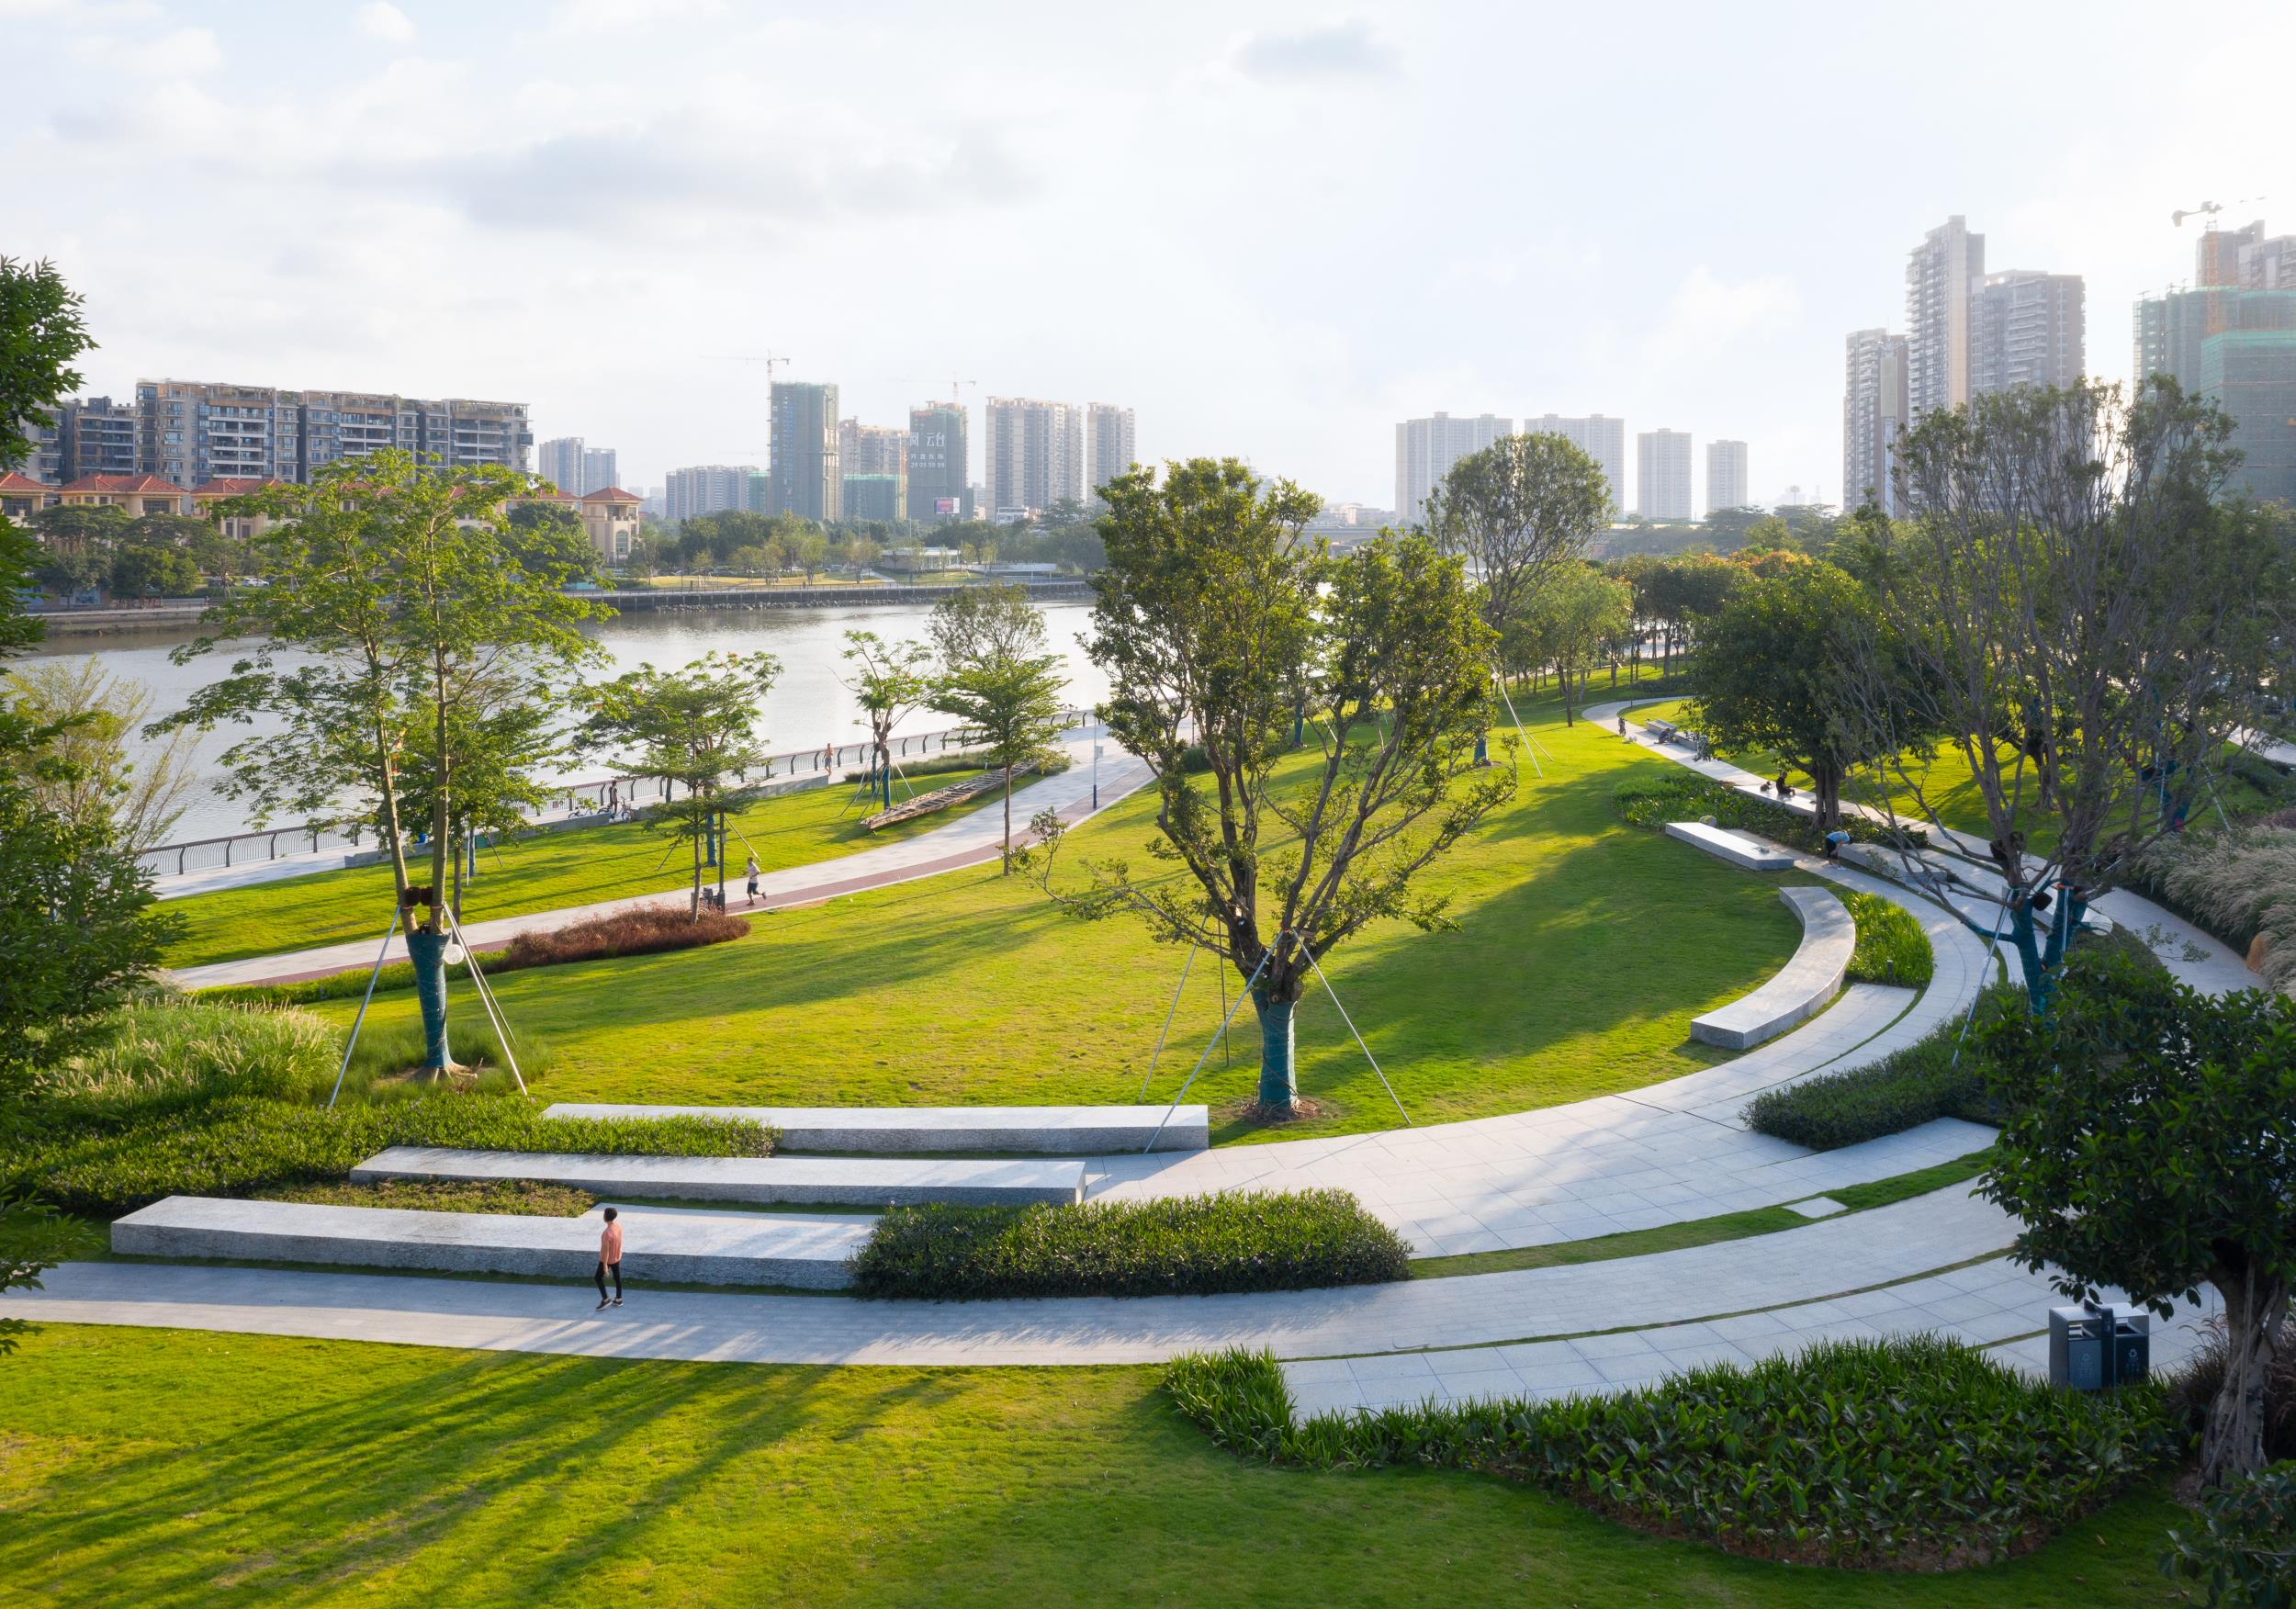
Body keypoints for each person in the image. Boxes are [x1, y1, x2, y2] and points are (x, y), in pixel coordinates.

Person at [595, 1206, 624, 1310]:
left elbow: (606, 1252)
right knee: (617, 1277)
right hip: (616, 1256)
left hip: (607, 1259)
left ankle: (606, 1299)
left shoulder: (606, 1233)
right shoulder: (618, 1226)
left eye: (604, 1214)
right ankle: (618, 1299)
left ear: (606, 1216)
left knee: (597, 1278)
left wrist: (605, 1266)